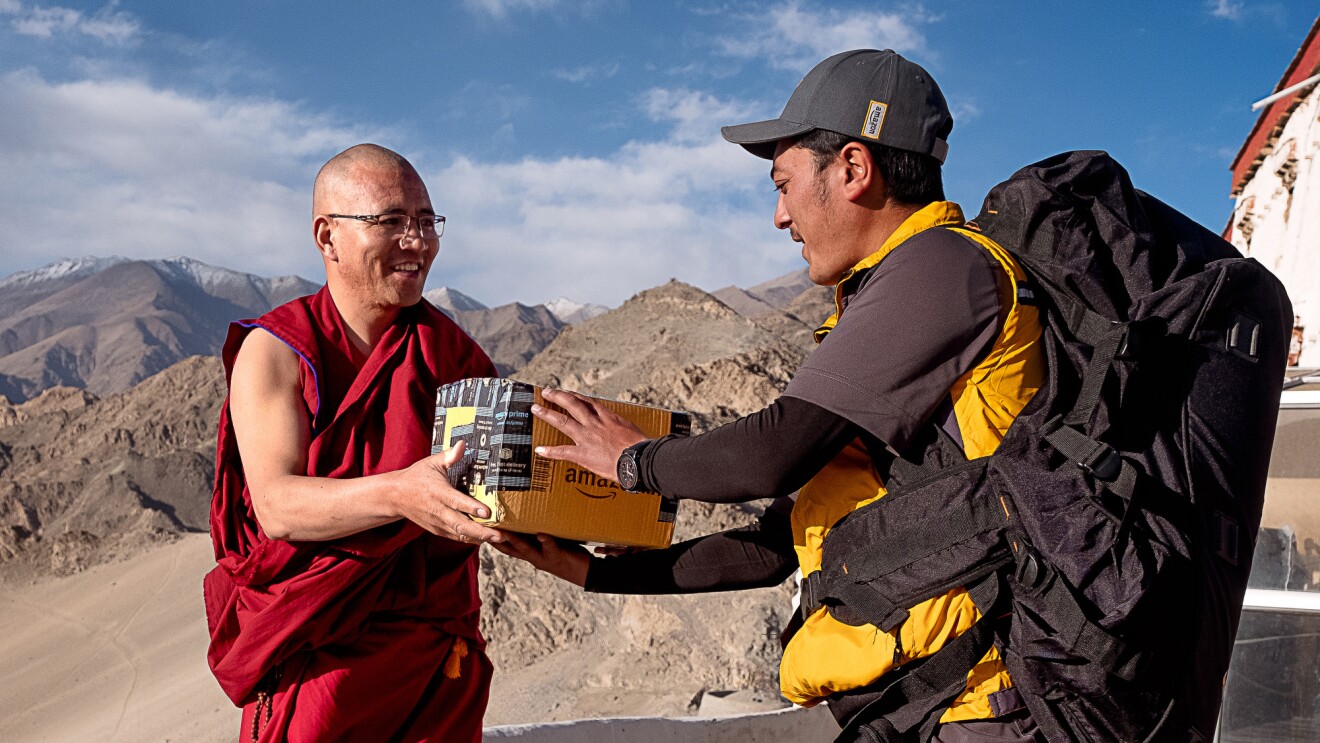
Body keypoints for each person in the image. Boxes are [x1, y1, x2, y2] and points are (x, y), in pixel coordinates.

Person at [492, 50, 1046, 742]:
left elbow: (771, 453)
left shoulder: (943, 267)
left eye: (784, 185)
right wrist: (590, 573)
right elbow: (778, 540)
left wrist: (635, 461)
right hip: (923, 707)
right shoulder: (890, 297)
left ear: (852, 168)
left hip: (978, 711)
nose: (779, 217)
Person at [203, 144, 506, 743]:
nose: (417, 242)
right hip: (323, 654)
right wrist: (401, 494)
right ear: (327, 235)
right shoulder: (279, 351)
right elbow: (278, 507)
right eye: (391, 222)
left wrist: (595, 529)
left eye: (426, 221)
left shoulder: (454, 358)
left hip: (433, 660)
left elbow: (489, 496)